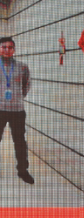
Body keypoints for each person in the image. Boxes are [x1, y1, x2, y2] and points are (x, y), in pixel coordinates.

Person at [0, 36, 33, 184]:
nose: (7, 50)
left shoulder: (22, 67)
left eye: (10, 47)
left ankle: (23, 171)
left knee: (20, 141)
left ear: (14, 49)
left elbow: (26, 85)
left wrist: (18, 98)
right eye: (4, 47)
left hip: (17, 111)